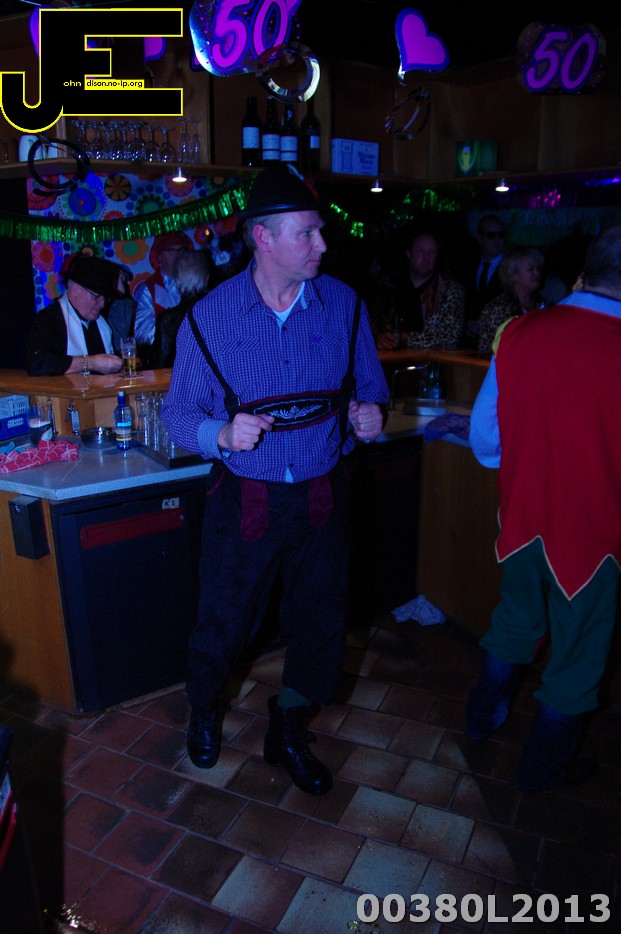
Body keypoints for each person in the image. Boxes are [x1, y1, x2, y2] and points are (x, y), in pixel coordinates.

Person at [161, 163, 388, 795]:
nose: (322, 245)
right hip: (246, 496)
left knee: (320, 623)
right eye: (307, 233)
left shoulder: (344, 307)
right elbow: (178, 415)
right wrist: (220, 434)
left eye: (319, 232)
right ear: (263, 237)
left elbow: (371, 389)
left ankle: (287, 726)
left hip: (322, 493)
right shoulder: (209, 318)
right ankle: (205, 710)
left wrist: (370, 415)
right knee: (224, 620)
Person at [465, 224, 621, 794]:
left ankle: (479, 723)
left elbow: (486, 439)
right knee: (577, 660)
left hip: (523, 520)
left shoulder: (519, 331)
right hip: (595, 539)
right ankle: (540, 773)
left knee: (513, 624)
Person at [26, 253, 124, 376]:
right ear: (75, 289)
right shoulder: (49, 319)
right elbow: (37, 363)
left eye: (105, 298)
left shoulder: (101, 321)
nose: (102, 304)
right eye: (97, 297)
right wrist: (91, 363)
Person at [371, 228, 465, 350]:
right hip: (387, 356)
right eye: (421, 251)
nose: (426, 257)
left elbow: (450, 337)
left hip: (431, 359)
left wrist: (406, 338)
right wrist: (378, 337)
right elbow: (371, 323)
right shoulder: (388, 285)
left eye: (432, 252)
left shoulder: (451, 289)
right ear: (408, 253)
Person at [132, 230, 193, 364]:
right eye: (171, 250)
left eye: (181, 250)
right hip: (164, 363)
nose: (177, 255)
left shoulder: (194, 284)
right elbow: (141, 333)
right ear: (159, 256)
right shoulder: (149, 289)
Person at [477, 246, 549, 352]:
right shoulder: (498, 308)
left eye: (538, 269)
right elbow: (487, 350)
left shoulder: (544, 305)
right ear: (513, 275)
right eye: (530, 269)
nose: (537, 273)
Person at [153, 249, 212, 368]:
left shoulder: (167, 320)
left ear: (176, 279)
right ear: (207, 278)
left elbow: (160, 366)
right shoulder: (221, 313)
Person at [462, 214, 507, 348]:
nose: (497, 239)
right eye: (491, 235)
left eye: (501, 235)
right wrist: (465, 323)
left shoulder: (512, 268)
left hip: (497, 343)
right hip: (468, 344)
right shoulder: (468, 266)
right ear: (479, 238)